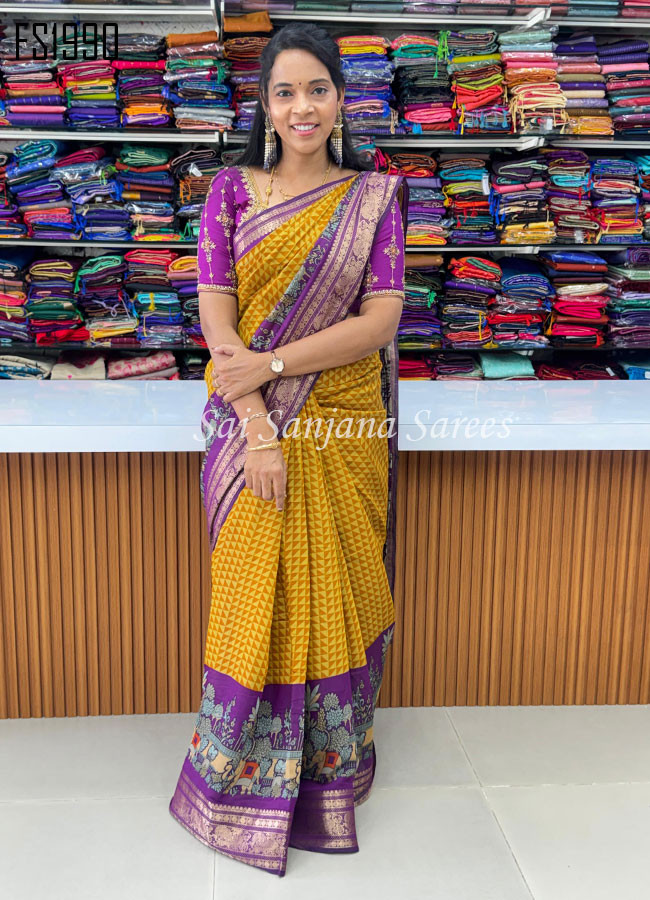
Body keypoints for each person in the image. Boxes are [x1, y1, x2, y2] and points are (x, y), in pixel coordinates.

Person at [169, 21, 408, 877]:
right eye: (284, 92)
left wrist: (272, 365)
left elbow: (380, 321)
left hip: (343, 425)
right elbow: (217, 318)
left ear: (340, 99)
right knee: (250, 596)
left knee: (338, 587)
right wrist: (259, 422)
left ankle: (330, 768)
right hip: (248, 432)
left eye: (317, 89)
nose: (301, 106)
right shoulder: (231, 192)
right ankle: (239, 775)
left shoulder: (374, 197)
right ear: (265, 107)